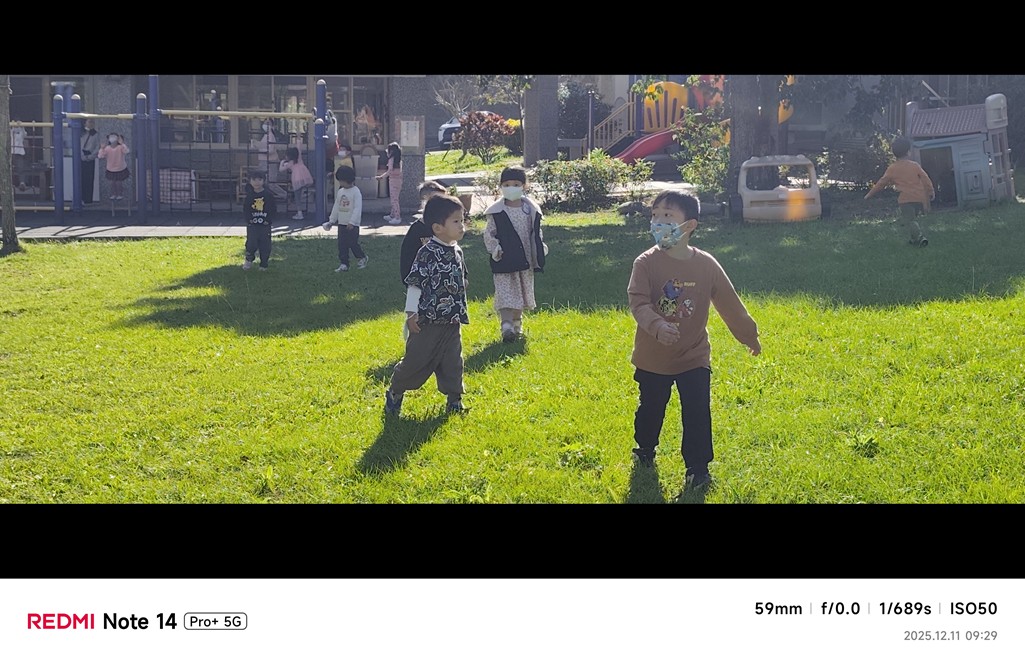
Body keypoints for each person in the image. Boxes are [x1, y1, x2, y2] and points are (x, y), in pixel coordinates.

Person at [627, 190, 761, 493]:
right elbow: (638, 302)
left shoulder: (706, 265)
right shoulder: (645, 263)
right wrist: (658, 326)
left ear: (689, 225)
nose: (658, 222)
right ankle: (645, 448)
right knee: (651, 408)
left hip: (693, 355)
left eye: (667, 216)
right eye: (655, 215)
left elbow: (729, 302)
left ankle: (698, 469)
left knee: (698, 411)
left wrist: (748, 334)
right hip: (653, 357)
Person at [385, 194, 470, 417]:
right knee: (416, 361)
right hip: (428, 321)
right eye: (456, 221)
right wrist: (411, 312)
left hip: (452, 321)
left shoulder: (457, 250)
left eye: (463, 220)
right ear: (437, 228)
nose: (462, 225)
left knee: (453, 362)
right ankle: (395, 391)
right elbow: (415, 284)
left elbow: (462, 276)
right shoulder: (426, 253)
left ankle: (455, 399)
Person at [482, 166, 547, 343]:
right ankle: (506, 326)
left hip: (525, 259)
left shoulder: (529, 210)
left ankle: (517, 325)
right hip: (504, 258)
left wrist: (539, 247)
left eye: (516, 184)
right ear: (501, 186)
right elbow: (489, 233)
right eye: (507, 184)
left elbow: (535, 231)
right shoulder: (497, 212)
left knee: (521, 293)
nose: (511, 188)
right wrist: (495, 249)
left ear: (525, 186)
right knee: (505, 293)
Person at [864, 136, 935, 247]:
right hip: (919, 198)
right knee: (913, 219)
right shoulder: (915, 166)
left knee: (910, 220)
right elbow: (926, 179)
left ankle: (920, 238)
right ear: (908, 152)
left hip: (905, 199)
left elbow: (881, 183)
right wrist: (931, 191)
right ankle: (913, 240)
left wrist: (869, 194)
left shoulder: (892, 168)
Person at [399, 181, 447, 286]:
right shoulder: (416, 230)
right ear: (425, 201)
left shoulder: (445, 228)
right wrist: (410, 282)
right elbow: (407, 258)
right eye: (438, 202)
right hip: (421, 283)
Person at [321, 165, 368, 272]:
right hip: (341, 223)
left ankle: (361, 257)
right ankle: (344, 263)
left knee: (352, 243)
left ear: (347, 180)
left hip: (352, 224)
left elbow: (357, 208)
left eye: (341, 181)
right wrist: (332, 220)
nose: (340, 183)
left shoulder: (356, 192)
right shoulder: (340, 192)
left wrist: (352, 222)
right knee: (342, 244)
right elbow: (336, 206)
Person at [241, 169, 277, 271]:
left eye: (259, 180)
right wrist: (249, 220)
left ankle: (264, 264)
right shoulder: (249, 195)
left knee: (265, 245)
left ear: (263, 181)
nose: (257, 182)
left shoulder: (268, 195)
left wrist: (268, 220)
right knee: (251, 243)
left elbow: (273, 209)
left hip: (265, 225)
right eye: (254, 180)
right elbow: (246, 209)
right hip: (252, 225)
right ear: (250, 181)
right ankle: (249, 258)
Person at [279, 145, 314, 221]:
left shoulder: (290, 163)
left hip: (296, 179)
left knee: (297, 197)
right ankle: (304, 194)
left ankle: (299, 213)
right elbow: (299, 149)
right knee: (302, 190)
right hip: (305, 177)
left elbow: (281, 169)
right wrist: (298, 141)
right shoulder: (299, 159)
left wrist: (282, 163)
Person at [96, 132, 130, 201]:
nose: (112, 138)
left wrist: (122, 144)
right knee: (112, 182)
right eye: (111, 137)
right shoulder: (107, 148)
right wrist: (102, 148)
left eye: (114, 137)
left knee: (118, 182)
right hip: (111, 168)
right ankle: (113, 194)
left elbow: (126, 151)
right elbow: (100, 156)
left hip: (120, 168)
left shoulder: (120, 147)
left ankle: (120, 194)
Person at [379, 142, 403, 224]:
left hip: (393, 181)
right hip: (399, 181)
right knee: (395, 198)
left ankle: (397, 217)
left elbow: (389, 171)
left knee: (394, 200)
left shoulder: (391, 160)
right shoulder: (399, 160)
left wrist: (381, 177)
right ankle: (392, 215)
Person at [80, 118, 100, 204]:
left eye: (93, 122)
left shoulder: (95, 134)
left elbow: (97, 146)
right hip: (81, 156)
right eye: (90, 122)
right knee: (80, 178)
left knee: (89, 178)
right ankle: (80, 198)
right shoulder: (80, 132)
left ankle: (88, 199)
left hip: (90, 156)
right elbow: (77, 145)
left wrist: (91, 156)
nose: (91, 123)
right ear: (85, 123)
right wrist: (81, 155)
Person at [10, 120, 27, 190]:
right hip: (11, 152)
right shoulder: (11, 130)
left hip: (19, 153)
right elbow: (9, 134)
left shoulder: (21, 131)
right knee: (11, 169)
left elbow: (24, 135)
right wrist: (12, 125)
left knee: (21, 168)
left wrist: (22, 126)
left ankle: (22, 183)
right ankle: (11, 183)